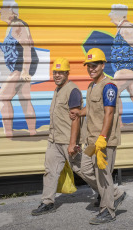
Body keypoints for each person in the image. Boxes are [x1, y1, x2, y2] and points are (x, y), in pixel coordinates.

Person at [31, 57, 98, 216]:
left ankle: (110, 193)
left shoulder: (72, 91)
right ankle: (47, 202)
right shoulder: (57, 90)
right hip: (54, 140)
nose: (57, 75)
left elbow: (76, 118)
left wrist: (72, 143)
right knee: (50, 171)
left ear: (67, 73)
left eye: (61, 72)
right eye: (55, 72)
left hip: (68, 141)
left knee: (83, 170)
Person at [70, 48, 127, 225]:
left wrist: (103, 137)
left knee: (103, 175)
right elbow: (93, 109)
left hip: (104, 140)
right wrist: (79, 113)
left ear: (103, 65)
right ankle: (113, 194)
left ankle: (108, 210)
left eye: (95, 65)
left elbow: (109, 113)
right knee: (84, 168)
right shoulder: (91, 85)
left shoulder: (108, 86)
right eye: (89, 66)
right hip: (92, 139)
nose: (91, 68)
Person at [0, 0, 39, 137]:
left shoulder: (18, 25)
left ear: (12, 11)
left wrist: (25, 71)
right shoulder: (12, 26)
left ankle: (8, 134)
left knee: (3, 97)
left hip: (21, 67)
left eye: (3, 8)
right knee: (24, 99)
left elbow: (27, 48)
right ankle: (33, 132)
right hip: (20, 67)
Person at [109, 4, 133, 126]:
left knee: (113, 91)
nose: (109, 15)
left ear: (118, 15)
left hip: (126, 69)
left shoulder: (127, 27)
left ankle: (119, 124)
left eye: (112, 13)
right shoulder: (121, 28)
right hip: (127, 69)